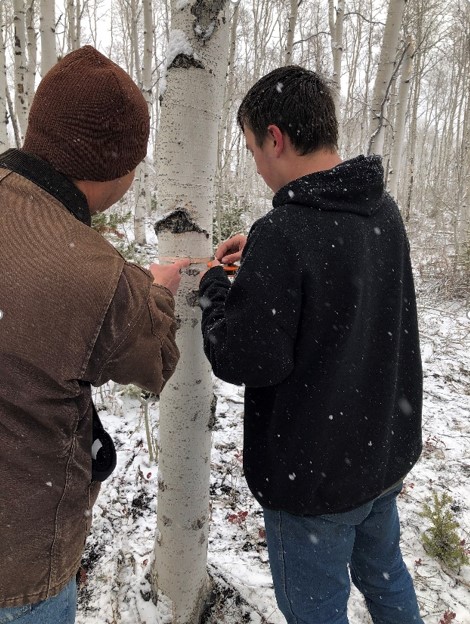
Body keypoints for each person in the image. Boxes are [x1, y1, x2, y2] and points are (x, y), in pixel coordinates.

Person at [199, 66, 424, 624]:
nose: (254, 164)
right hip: (379, 456)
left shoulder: (287, 233)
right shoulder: (379, 209)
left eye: (252, 148)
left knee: (314, 611)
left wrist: (214, 293)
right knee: (386, 576)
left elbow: (247, 356)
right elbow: (343, 277)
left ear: (275, 138)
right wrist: (265, 262)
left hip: (315, 477)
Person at [0, 46, 188, 623]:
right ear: (115, 168)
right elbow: (155, 360)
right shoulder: (97, 277)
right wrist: (153, 289)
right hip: (22, 564)